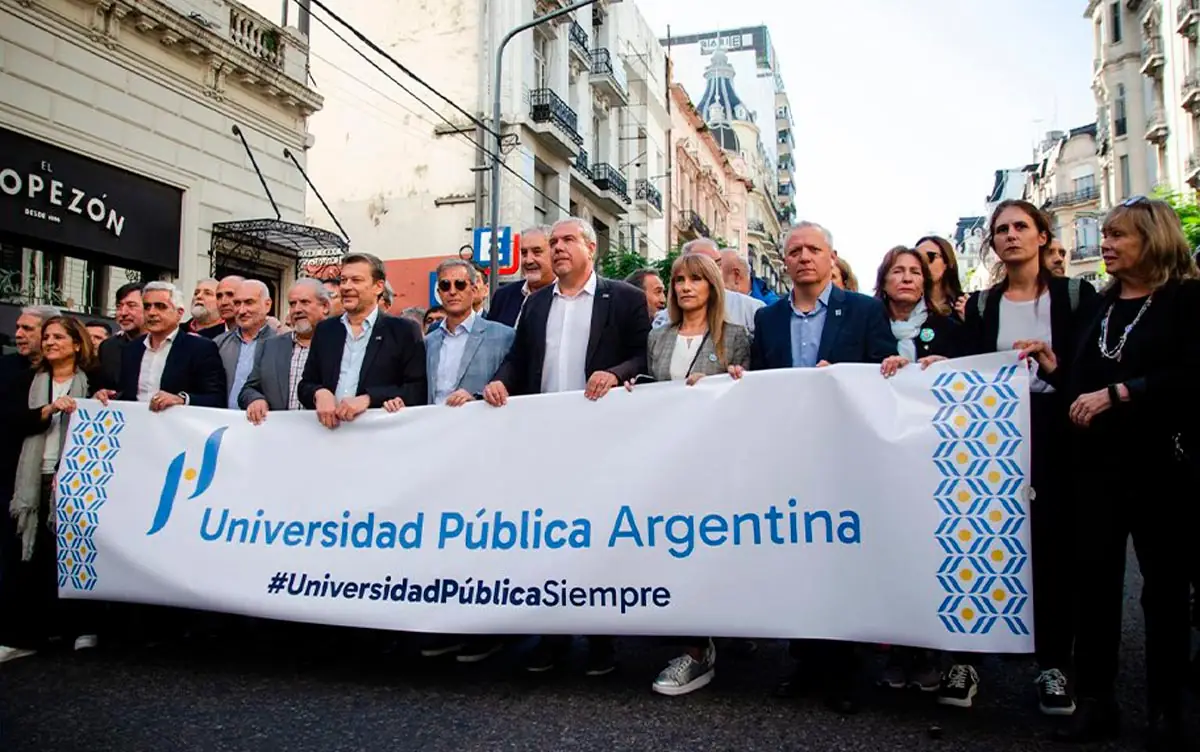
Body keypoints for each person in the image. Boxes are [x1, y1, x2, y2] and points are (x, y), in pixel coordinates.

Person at [1023, 197, 1199, 749]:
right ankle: (1097, 704)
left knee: (1164, 593)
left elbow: (1192, 376)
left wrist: (1121, 394)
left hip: (1160, 469)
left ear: (1153, 239)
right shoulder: (1099, 305)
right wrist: (1057, 371)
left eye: (1119, 235)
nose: (1106, 243)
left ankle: (1166, 710)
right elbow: (1082, 385)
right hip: (1094, 471)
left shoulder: (1186, 301)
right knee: (1094, 590)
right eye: (1106, 234)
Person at [950, 199, 1098, 716]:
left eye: (1020, 227)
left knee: (1054, 548)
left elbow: (1090, 375)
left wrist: (1055, 369)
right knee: (983, 542)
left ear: (1041, 236)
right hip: (995, 440)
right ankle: (969, 658)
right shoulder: (983, 306)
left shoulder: (1077, 297)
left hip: (1057, 434)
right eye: (1001, 230)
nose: (1010, 236)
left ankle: (1054, 664)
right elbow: (964, 368)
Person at [483, 217, 649, 675]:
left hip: (601, 440)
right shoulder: (536, 305)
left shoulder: (626, 298)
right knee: (551, 538)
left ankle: (600, 640)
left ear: (590, 249)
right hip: (545, 442)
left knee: (597, 536)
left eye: (566, 240)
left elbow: (643, 354)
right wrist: (499, 382)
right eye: (552, 242)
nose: (556, 248)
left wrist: (615, 373)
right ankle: (552, 637)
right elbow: (519, 360)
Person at [627, 252, 751, 697]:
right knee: (672, 546)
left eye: (695, 280)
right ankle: (691, 640)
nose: (684, 287)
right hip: (666, 460)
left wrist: (732, 380)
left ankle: (702, 648)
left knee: (705, 547)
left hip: (713, 461)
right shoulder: (658, 338)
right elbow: (653, 387)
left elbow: (746, 393)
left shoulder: (735, 337)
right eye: (678, 280)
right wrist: (635, 390)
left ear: (712, 286)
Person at [0, 316, 100, 662]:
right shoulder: (25, 380)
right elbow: (10, 420)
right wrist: (47, 410)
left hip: (74, 479)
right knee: (28, 553)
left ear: (77, 344)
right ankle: (25, 633)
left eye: (58, 337)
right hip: (32, 476)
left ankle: (78, 628)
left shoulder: (94, 381)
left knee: (73, 551)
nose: (49, 342)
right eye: (46, 337)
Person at [298, 252, 427, 427]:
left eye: (356, 280)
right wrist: (319, 393)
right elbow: (305, 385)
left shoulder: (403, 331)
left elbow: (416, 390)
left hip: (376, 437)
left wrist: (369, 398)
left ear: (378, 287)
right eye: (343, 280)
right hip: (329, 435)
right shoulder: (326, 330)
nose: (346, 287)